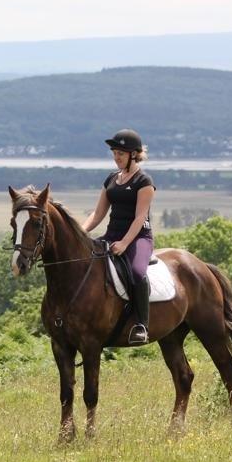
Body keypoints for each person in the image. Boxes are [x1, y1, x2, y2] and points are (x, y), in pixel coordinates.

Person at [80, 128, 156, 344]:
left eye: (120, 154)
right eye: (114, 153)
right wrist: (80, 233)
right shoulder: (112, 179)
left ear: (133, 154)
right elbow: (97, 214)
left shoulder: (144, 181)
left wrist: (124, 243)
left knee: (137, 272)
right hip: (111, 234)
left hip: (138, 237)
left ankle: (141, 324)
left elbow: (140, 217)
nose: (116, 158)